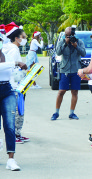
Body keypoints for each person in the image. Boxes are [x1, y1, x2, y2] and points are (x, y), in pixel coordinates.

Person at [0, 32, 27, 171]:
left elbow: (13, 75)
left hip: (7, 90)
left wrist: (24, 75)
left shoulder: (8, 56)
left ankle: (11, 159)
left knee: (10, 125)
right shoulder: (12, 59)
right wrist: (16, 63)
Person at [50, 27, 86, 121]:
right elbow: (58, 52)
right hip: (64, 69)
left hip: (75, 69)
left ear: (74, 34)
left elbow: (83, 53)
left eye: (70, 35)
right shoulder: (62, 41)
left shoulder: (79, 41)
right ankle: (56, 112)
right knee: (61, 91)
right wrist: (65, 43)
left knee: (74, 91)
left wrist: (76, 46)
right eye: (67, 36)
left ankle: (72, 113)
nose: (69, 37)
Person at [3, 22, 30, 144]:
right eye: (23, 37)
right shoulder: (13, 50)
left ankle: (16, 134)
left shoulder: (8, 48)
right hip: (15, 85)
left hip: (12, 84)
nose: (24, 39)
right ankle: (16, 135)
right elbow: (13, 67)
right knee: (18, 111)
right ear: (16, 38)